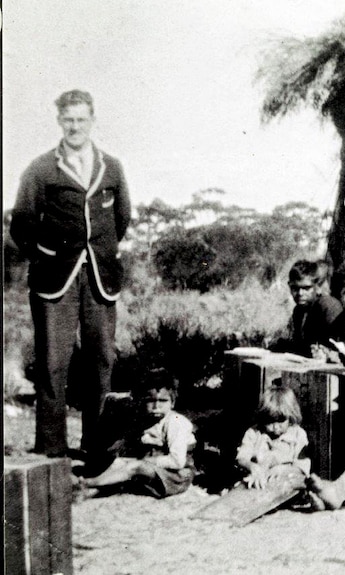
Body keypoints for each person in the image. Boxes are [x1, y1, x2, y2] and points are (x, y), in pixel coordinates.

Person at [10, 89, 132, 459]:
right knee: (52, 364)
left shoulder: (111, 167)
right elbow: (22, 224)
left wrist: (100, 252)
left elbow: (121, 218)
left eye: (81, 119)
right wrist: (47, 255)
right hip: (55, 281)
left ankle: (97, 449)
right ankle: (51, 450)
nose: (75, 126)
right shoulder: (41, 168)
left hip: (99, 279)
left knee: (101, 362)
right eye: (68, 120)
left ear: (93, 120)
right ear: (59, 122)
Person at [236, 384, 345, 510]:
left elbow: (302, 467)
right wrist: (253, 467)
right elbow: (242, 457)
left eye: (280, 421)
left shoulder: (297, 434)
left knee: (306, 482)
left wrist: (283, 469)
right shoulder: (254, 433)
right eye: (270, 421)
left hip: (290, 481)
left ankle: (324, 495)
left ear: (290, 417)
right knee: (245, 490)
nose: (275, 427)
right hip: (261, 483)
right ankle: (318, 500)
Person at [82, 370, 195, 498]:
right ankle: (95, 488)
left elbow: (177, 461)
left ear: (172, 402)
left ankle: (88, 483)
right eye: (150, 400)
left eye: (163, 401)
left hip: (175, 475)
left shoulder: (176, 423)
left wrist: (143, 461)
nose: (156, 406)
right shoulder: (144, 419)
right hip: (153, 468)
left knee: (135, 466)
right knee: (120, 463)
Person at [270, 259, 342, 357]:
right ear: (289, 286)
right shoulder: (299, 311)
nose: (300, 293)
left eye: (306, 288)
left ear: (317, 287)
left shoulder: (328, 306)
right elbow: (301, 347)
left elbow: (342, 346)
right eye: (295, 288)